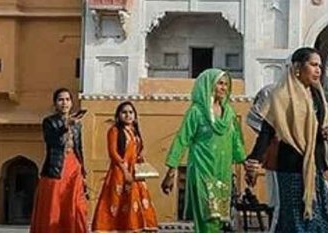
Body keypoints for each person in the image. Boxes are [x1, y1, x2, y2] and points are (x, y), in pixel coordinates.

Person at [245, 47, 328, 233]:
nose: (318, 70)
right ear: (297, 68)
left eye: (319, 65)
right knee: (294, 219)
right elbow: (266, 131)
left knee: (318, 219)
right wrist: (254, 159)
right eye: (313, 65)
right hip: (291, 168)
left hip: (314, 167)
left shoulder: (317, 95)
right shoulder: (280, 97)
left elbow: (327, 121)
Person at [162, 69, 246, 233]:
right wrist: (171, 171)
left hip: (222, 174)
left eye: (226, 84)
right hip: (202, 171)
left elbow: (236, 142)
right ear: (208, 85)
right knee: (207, 218)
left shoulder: (228, 113)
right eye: (220, 83)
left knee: (219, 220)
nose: (224, 88)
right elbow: (182, 140)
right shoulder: (196, 112)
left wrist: (247, 166)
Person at [93, 101, 159, 233]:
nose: (128, 115)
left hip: (135, 172)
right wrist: (125, 171)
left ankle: (136, 226)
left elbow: (136, 151)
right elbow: (113, 152)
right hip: (119, 171)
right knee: (116, 201)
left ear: (134, 115)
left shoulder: (135, 131)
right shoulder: (114, 130)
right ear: (118, 115)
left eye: (130, 112)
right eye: (124, 112)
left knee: (138, 200)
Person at [33, 88, 89, 233]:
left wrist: (83, 171)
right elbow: (52, 142)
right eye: (60, 100)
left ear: (71, 103)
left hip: (74, 166)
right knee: (55, 205)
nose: (64, 103)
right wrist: (65, 126)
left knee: (76, 205)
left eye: (67, 100)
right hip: (56, 168)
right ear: (55, 104)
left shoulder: (77, 124)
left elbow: (79, 148)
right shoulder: (49, 122)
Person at [244, 81, 281, 231]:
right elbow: (264, 130)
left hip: (300, 162)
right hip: (278, 161)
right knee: (279, 205)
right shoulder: (274, 92)